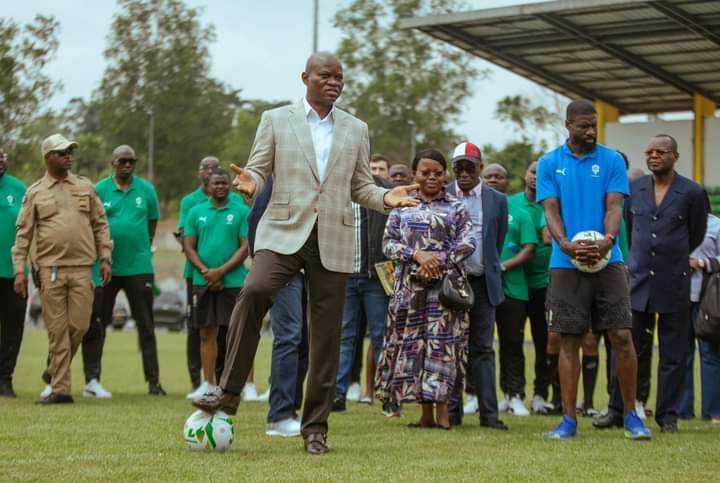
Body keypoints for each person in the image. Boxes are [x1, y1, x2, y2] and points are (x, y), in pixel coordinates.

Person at [192, 52, 418, 455]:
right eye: (325, 76)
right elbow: (258, 170)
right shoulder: (275, 120)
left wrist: (386, 197)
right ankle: (227, 394)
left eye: (339, 77)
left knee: (327, 336)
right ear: (305, 78)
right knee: (256, 290)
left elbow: (360, 187)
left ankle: (315, 427)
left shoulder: (356, 128)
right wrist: (251, 182)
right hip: (282, 232)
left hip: (333, 239)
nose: (333, 82)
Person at [537, 100, 650, 439]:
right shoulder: (549, 163)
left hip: (608, 260)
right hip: (565, 263)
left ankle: (631, 416)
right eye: (583, 126)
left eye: (593, 126)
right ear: (568, 124)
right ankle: (569, 420)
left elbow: (614, 206)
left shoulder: (612, 159)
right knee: (569, 339)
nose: (589, 131)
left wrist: (608, 239)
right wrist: (566, 244)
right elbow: (552, 211)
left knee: (622, 336)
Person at [596, 134, 707, 434]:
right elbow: (630, 231)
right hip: (638, 282)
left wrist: (674, 256)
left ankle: (667, 415)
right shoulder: (634, 189)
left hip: (674, 282)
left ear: (675, 155)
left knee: (673, 354)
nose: (654, 156)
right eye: (649, 152)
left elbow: (696, 234)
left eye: (661, 151)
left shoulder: (693, 192)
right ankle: (618, 409)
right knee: (628, 348)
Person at [375, 148, 475, 429]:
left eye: (438, 173)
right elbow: (388, 243)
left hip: (445, 291)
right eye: (425, 172)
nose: (432, 177)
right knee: (414, 347)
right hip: (410, 288)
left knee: (442, 348)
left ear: (445, 176)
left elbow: (468, 243)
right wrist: (417, 256)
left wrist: (437, 261)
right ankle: (425, 415)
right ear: (414, 174)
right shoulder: (402, 205)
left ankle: (444, 414)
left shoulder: (456, 206)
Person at [12, 134, 112, 404]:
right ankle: (61, 389)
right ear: (48, 157)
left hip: (83, 269)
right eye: (62, 152)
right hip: (50, 269)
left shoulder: (85, 187)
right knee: (57, 331)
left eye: (70, 151)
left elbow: (100, 224)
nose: (69, 155)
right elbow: (23, 235)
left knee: (79, 326)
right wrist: (19, 270)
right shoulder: (35, 192)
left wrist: (105, 257)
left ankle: (54, 369)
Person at [180, 158, 261, 401]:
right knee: (207, 333)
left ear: (230, 185)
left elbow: (245, 246)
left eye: (224, 183)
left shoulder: (241, 211)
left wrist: (221, 272)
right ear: (208, 185)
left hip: (234, 281)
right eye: (216, 183)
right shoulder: (196, 211)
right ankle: (208, 383)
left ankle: (249, 386)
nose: (220, 187)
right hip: (202, 280)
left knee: (240, 332)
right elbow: (189, 246)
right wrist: (208, 272)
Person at [446, 142, 509, 430]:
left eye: (469, 166)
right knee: (452, 347)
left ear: (480, 168)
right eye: (458, 167)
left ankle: (489, 415)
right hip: (451, 284)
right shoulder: (444, 195)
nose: (463, 172)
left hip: (483, 283)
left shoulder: (497, 199)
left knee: (483, 348)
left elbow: (496, 242)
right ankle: (451, 412)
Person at [93, 145, 166, 396]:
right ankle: (93, 380)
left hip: (139, 266)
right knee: (98, 323)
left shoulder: (146, 190)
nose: (127, 165)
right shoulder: (100, 189)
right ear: (113, 162)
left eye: (131, 161)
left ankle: (154, 382)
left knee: (146, 325)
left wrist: (141, 248)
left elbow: (152, 223)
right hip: (107, 266)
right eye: (122, 161)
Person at [249, 176, 309, 438]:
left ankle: (292, 407)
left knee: (304, 339)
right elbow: (255, 220)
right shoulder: (278, 179)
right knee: (289, 335)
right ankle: (279, 415)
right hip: (283, 267)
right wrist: (264, 264)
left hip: (314, 268)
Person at [332, 163, 393, 413]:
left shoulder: (383, 190)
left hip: (375, 278)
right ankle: (337, 395)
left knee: (380, 337)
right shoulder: (335, 190)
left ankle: (387, 396)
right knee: (345, 337)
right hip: (345, 276)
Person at [483, 163, 537, 417]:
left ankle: (514, 395)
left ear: (507, 181)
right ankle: (475, 395)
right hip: (481, 287)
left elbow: (529, 248)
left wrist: (501, 267)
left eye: (499, 176)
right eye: (489, 176)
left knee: (512, 344)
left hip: (513, 289)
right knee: (480, 344)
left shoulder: (520, 212)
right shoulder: (473, 209)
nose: (494, 180)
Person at [507, 161, 556, 414]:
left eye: (543, 173)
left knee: (544, 342)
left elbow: (551, 238)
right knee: (512, 341)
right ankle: (512, 393)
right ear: (524, 174)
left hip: (544, 284)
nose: (537, 177)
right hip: (514, 284)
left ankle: (540, 394)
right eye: (533, 171)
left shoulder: (554, 203)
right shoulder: (511, 203)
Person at [679, 200, 720, 424]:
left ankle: (713, 411)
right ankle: (683, 409)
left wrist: (702, 263)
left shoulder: (716, 226)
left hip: (708, 300)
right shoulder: (677, 224)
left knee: (710, 354)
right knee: (682, 354)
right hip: (680, 297)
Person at [0, 149, 27, 397]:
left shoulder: (19, 189)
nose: (0, 161)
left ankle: (5, 378)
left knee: (13, 329)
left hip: (14, 273)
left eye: (2, 156)